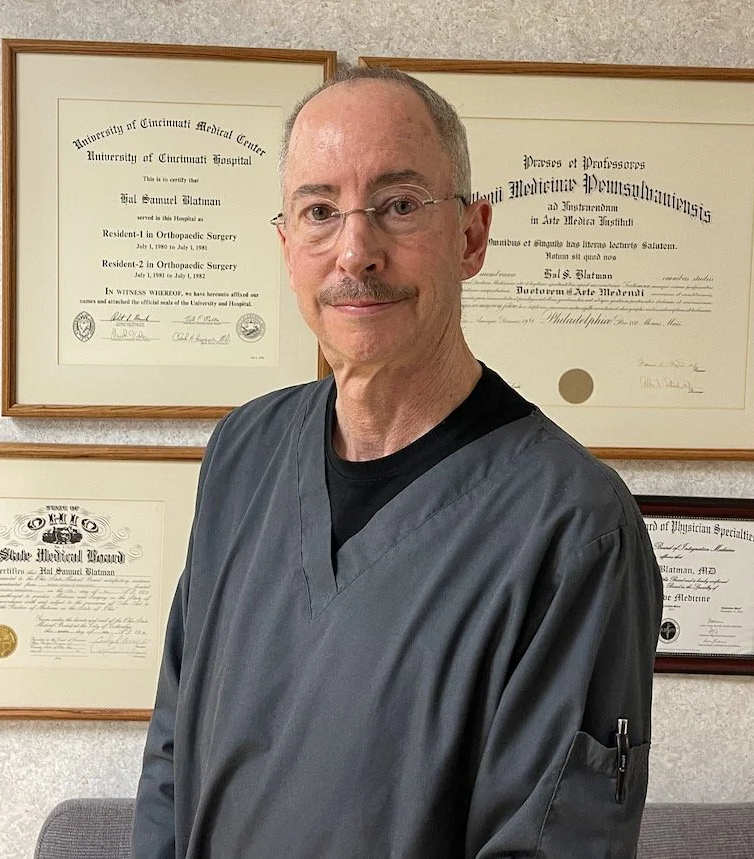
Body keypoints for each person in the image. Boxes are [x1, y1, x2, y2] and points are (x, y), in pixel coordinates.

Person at [132, 64, 663, 858]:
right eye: (319, 210)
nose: (356, 250)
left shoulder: (574, 526)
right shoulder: (241, 453)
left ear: (472, 236)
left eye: (400, 206)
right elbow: (172, 750)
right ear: (287, 246)